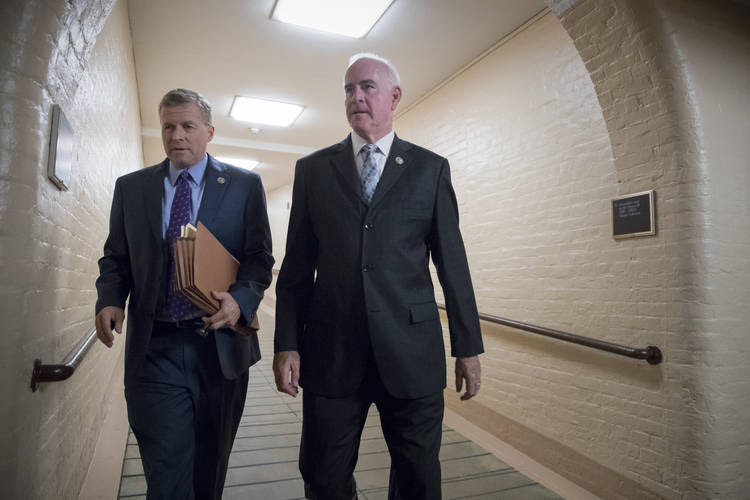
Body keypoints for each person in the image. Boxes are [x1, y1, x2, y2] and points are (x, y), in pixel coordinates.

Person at [273, 53, 483, 500]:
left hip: (411, 353)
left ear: (394, 96)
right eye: (349, 89)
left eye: (367, 86)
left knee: (418, 479)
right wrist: (287, 342)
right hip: (331, 354)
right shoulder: (313, 171)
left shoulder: (429, 169)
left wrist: (468, 347)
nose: (356, 97)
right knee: (324, 477)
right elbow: (295, 270)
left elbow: (453, 264)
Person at [95, 88, 273, 499]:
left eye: (188, 126)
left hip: (219, 347)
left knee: (210, 468)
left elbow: (259, 258)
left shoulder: (244, 185)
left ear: (208, 131)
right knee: (167, 469)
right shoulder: (132, 188)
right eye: (168, 127)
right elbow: (116, 257)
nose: (177, 136)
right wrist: (109, 298)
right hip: (154, 347)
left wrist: (241, 300)